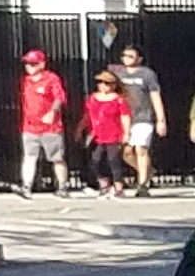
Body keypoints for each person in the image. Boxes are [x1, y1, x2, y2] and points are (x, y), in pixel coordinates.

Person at [18, 45, 72, 198]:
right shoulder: (25, 81)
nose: (29, 67)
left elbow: (59, 98)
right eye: (27, 63)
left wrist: (52, 112)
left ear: (42, 64)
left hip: (50, 128)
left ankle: (62, 186)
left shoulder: (51, 79)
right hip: (29, 126)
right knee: (29, 157)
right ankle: (26, 186)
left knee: (57, 158)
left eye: (33, 64)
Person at [115, 39, 167, 196]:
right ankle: (148, 171)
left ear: (139, 59)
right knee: (127, 153)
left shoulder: (147, 74)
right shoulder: (119, 74)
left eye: (130, 56)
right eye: (124, 56)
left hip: (143, 117)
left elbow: (155, 96)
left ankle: (142, 184)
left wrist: (160, 119)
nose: (126, 59)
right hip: (125, 118)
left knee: (141, 149)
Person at [80, 66, 131, 195]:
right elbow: (87, 116)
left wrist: (126, 133)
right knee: (95, 161)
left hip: (113, 135)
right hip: (97, 135)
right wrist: (80, 129)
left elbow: (125, 116)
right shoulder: (92, 98)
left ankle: (119, 188)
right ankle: (104, 185)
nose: (103, 85)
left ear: (114, 85)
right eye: (100, 82)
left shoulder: (119, 100)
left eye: (106, 83)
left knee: (114, 161)